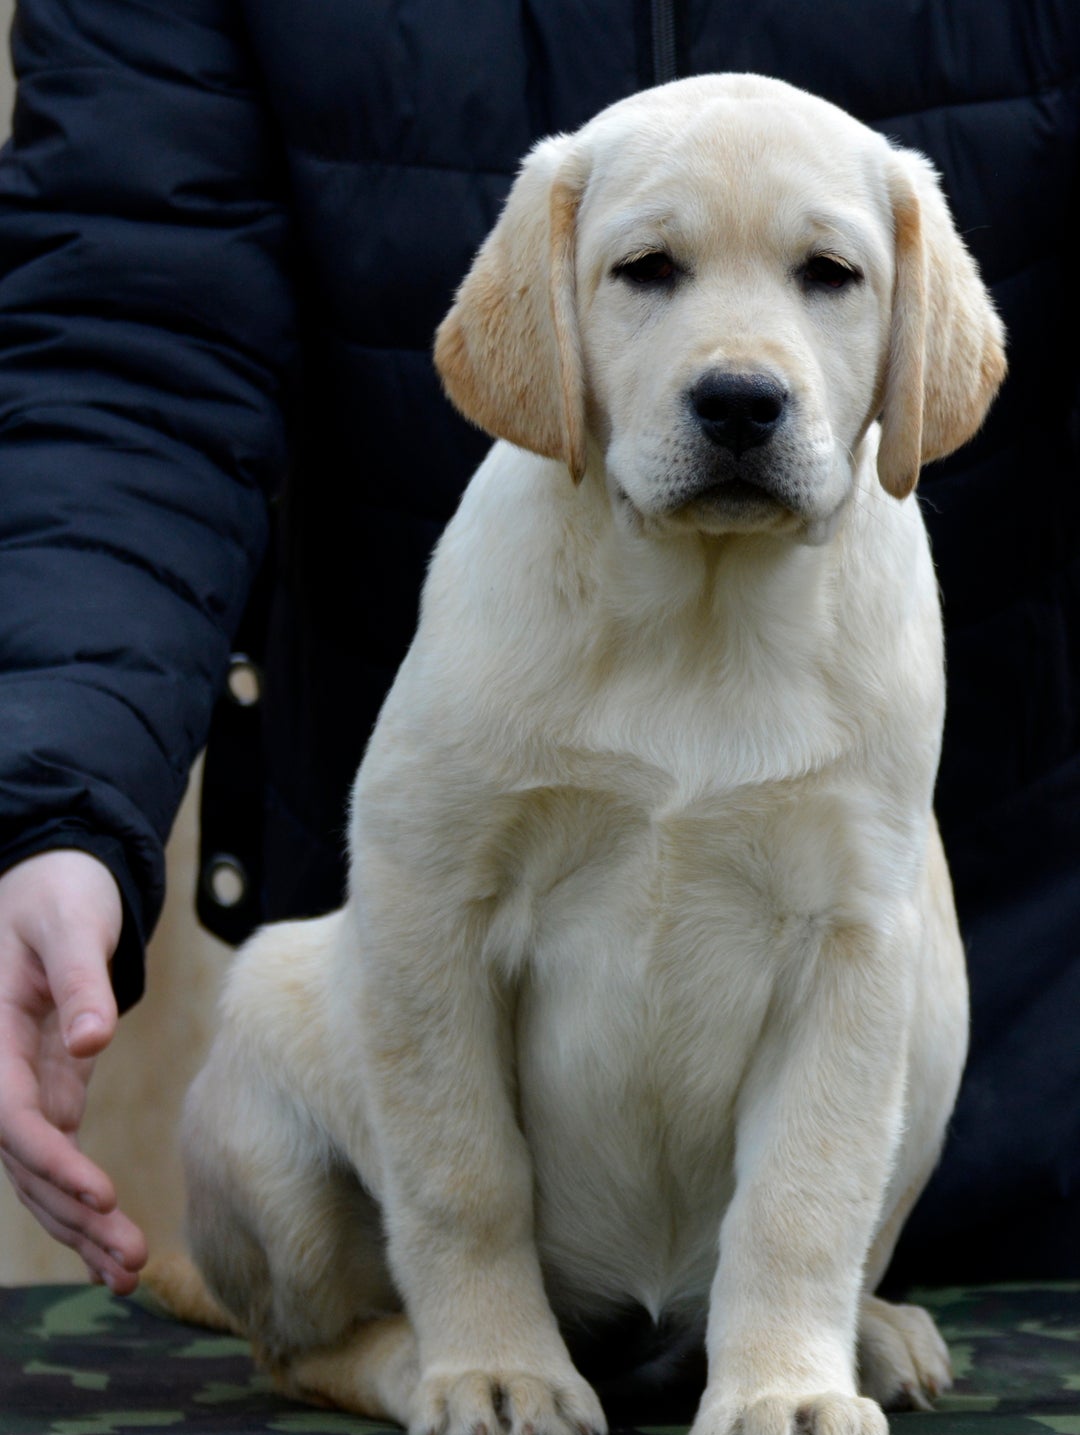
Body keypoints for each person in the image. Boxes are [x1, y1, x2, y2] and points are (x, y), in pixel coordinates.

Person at [0, 0, 1078, 1298]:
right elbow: (126, 341)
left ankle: (803, 1320)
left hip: (1018, 1055)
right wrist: (49, 803)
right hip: (436, 1080)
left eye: (827, 275)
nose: (739, 374)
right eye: (652, 271)